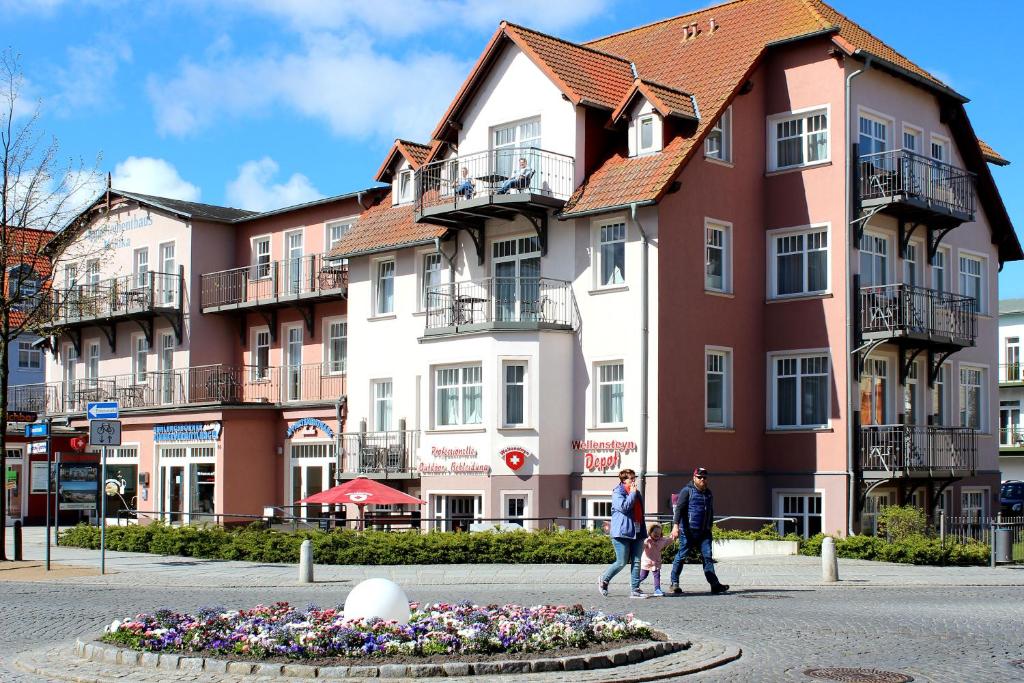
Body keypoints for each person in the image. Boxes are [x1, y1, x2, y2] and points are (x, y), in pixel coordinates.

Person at [669, 467, 729, 595]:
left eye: (704, 477)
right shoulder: (687, 491)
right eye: (699, 477)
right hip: (688, 531)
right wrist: (675, 526)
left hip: (705, 532)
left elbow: (710, 511)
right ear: (694, 477)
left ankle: (715, 585)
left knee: (707, 557)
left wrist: (710, 526)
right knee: (682, 556)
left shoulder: (708, 493)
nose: (702, 479)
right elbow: (679, 509)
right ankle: (674, 583)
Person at [598, 468, 649, 599]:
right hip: (622, 533)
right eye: (631, 479)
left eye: (634, 478)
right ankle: (604, 580)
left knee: (637, 561)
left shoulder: (636, 493)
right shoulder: (617, 493)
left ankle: (635, 589)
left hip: (637, 531)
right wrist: (632, 494)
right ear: (623, 480)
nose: (634, 481)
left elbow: (640, 512)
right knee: (621, 562)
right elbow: (625, 508)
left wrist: (643, 530)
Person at [638, 523, 671, 597]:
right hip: (646, 562)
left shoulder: (661, 541)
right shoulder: (647, 540)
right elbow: (642, 546)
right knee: (643, 575)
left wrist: (674, 535)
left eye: (659, 533)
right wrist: (644, 543)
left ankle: (657, 589)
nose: (657, 534)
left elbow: (669, 540)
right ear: (650, 532)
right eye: (655, 532)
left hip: (656, 562)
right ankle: (635, 584)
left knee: (657, 575)